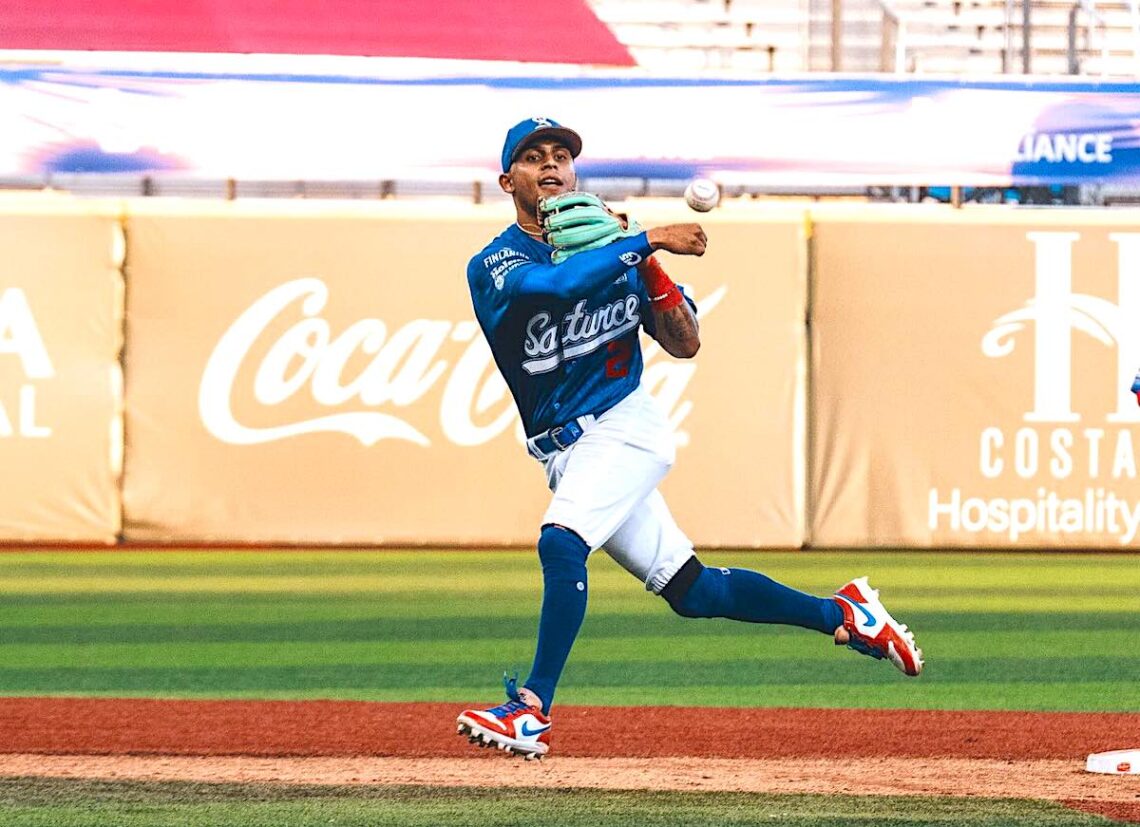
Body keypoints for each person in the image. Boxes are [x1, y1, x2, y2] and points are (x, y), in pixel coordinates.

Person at [457, 117, 923, 760]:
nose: (552, 166)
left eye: (562, 156)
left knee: (561, 543)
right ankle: (844, 615)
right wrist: (646, 238)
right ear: (510, 181)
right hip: (566, 450)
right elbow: (556, 285)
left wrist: (645, 264)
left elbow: (685, 341)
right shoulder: (496, 262)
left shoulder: (621, 258)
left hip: (624, 427)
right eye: (535, 158)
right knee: (694, 591)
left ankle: (531, 709)